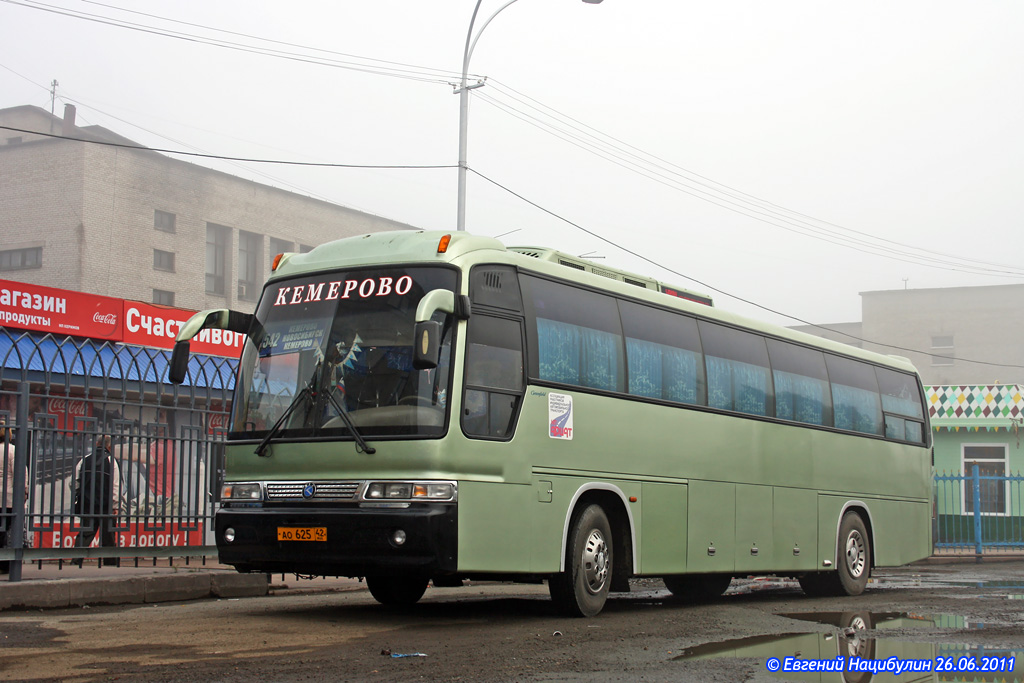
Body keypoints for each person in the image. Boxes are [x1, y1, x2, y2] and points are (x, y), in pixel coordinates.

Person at [73, 434, 121, 566]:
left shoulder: (84, 460)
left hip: (87, 504)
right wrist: (115, 505)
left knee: (85, 534)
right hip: (106, 506)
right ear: (109, 446)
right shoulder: (112, 462)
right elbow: (115, 486)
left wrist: (80, 494)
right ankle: (110, 563)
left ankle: (76, 561)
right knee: (108, 536)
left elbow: (75, 483)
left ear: (96, 444)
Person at [1, 420, 28, 574]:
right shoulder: (13, 451)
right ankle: (6, 565)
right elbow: (20, 475)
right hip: (9, 499)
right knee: (9, 532)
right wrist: (24, 494)